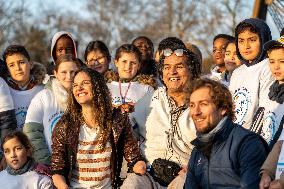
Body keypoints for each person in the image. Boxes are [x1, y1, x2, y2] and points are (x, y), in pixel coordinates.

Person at [121, 42, 201, 189]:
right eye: (167, 67)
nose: (172, 72)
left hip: (185, 175)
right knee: (132, 184)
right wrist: (136, 160)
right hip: (148, 173)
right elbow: (128, 134)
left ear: (191, 70)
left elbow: (213, 144)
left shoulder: (202, 101)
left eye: (179, 66)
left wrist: (195, 166)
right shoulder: (149, 99)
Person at [51, 67, 146, 189]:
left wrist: (140, 167)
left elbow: (134, 157)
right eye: (75, 85)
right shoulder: (65, 125)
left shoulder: (117, 119)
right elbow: (57, 169)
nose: (79, 88)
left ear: (98, 87)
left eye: (85, 83)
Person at [184, 78, 269, 189]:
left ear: (222, 109)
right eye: (192, 105)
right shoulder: (197, 150)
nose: (196, 112)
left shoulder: (247, 143)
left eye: (203, 104)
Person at [23, 55, 81, 165]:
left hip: (80, 168)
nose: (69, 76)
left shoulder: (84, 97)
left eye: (73, 72)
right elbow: (32, 133)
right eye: (64, 72)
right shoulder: (43, 97)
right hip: (51, 166)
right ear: (56, 73)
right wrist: (47, 162)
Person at [229, 18, 274, 129]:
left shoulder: (268, 66)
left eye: (252, 40)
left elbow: (266, 110)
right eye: (241, 41)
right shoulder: (237, 72)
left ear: (263, 40)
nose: (246, 46)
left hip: (255, 138)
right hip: (236, 135)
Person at [258, 36, 284, 189]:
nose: (276, 67)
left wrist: (281, 182)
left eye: (282, 62)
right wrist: (267, 172)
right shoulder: (270, 94)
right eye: (272, 61)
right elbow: (280, 141)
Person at [2, 45, 45, 129]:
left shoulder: (43, 89)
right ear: (7, 70)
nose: (18, 68)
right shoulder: (4, 92)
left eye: (21, 62)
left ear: (31, 64)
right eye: (12, 65)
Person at [107, 44, 155, 114]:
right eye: (124, 61)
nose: (128, 66)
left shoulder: (147, 89)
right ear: (116, 62)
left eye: (133, 63)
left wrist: (136, 108)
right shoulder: (105, 87)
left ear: (139, 65)